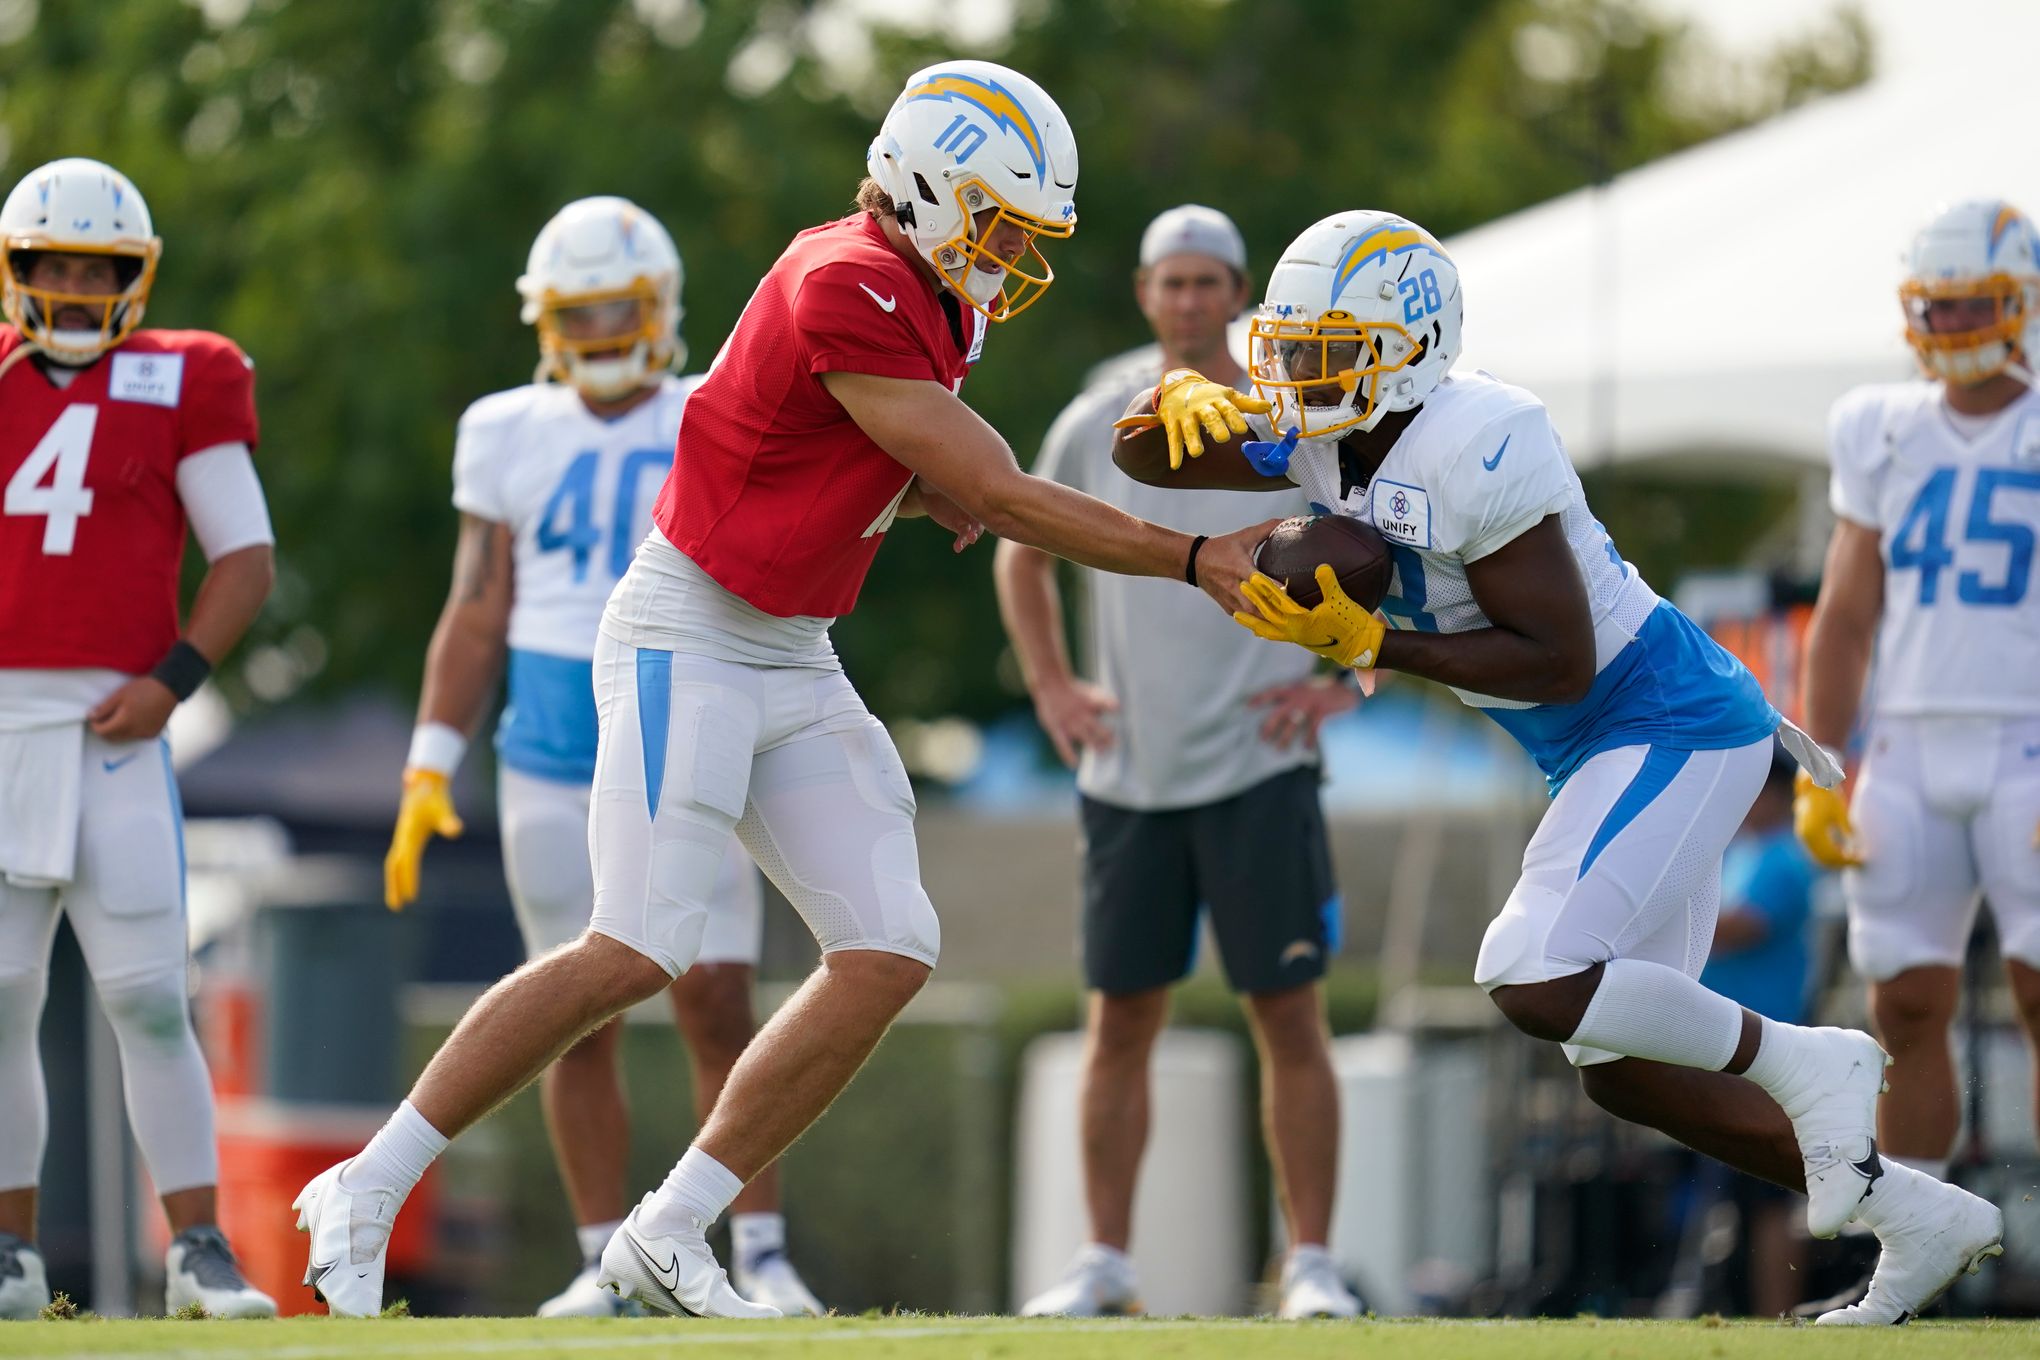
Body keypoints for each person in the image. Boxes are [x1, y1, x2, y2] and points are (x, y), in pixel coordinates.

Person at [295, 59, 1269, 1319]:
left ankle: (675, 1225)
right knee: (635, 945)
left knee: (890, 943)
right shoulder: (847, 277)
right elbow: (1011, 493)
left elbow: (850, 446)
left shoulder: (933, 294)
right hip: (687, 630)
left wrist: (914, 489)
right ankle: (365, 1185)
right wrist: (1194, 557)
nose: (1010, 252)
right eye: (999, 220)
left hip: (791, 647)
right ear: (925, 188)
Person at [1113, 208, 2005, 1326]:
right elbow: (1140, 454)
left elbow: (1560, 658)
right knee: (1617, 1060)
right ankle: (1918, 1217)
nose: (1298, 377)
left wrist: (1376, 642)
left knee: (1531, 972)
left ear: (1408, 347)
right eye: (1290, 352)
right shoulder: (1328, 417)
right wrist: (1175, 409)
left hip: (1670, 719)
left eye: (1325, 352)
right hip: (1603, 743)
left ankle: (1806, 1058)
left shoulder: (1476, 435)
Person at [379, 196, 823, 1317]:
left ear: (664, 309)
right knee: (573, 1013)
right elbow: (476, 609)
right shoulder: (504, 429)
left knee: (718, 996)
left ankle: (754, 1246)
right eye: (580, 313)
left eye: (621, 308)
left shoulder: (711, 406)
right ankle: (599, 1260)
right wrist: (431, 757)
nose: (601, 332)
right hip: (549, 748)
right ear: (545, 319)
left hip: (688, 723)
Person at [996, 205, 1359, 1320]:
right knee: (1120, 1022)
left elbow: (1376, 549)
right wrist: (1053, 684)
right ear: (1146, 293)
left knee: (1288, 1014)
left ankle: (1308, 1264)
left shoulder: (1293, 406)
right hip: (1129, 772)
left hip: (1260, 757)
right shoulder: (1101, 412)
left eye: (1210, 282)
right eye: (1173, 282)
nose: (1191, 300)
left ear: (1240, 291)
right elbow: (1021, 543)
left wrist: (1339, 682)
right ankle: (1104, 1261)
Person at [0, 157, 277, 1319]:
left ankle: (197, 1244)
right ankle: (12, 1255)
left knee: (151, 996)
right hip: (5, 720)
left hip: (120, 722)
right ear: (18, 271)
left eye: (96, 268)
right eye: (53, 265)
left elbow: (246, 558)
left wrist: (175, 678)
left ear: (135, 276)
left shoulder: (186, 374)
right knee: (2, 992)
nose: (72, 287)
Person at [1796, 199, 2040, 1201]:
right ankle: (1915, 1250)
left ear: (2019, 301)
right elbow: (1844, 614)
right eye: (1931, 309)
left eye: (1968, 305)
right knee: (1901, 1006)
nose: (1947, 329)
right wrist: (1820, 766)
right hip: (1904, 743)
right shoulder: (1879, 428)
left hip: (2028, 736)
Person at [1691, 744, 1821, 1318]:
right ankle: (1738, 1313)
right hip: (1723, 1051)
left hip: (1766, 1052)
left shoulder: (1785, 858)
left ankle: (1778, 1318)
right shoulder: (1741, 853)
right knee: (1732, 1192)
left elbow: (1741, 926)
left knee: (1772, 1198)